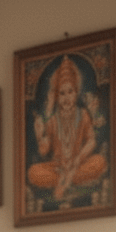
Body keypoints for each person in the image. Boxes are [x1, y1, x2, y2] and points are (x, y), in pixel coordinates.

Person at [28, 55, 106, 200]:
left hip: (78, 164)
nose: (66, 98)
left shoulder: (83, 115)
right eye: (62, 93)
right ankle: (68, 180)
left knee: (99, 162)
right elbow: (44, 151)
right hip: (57, 167)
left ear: (76, 93)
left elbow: (91, 141)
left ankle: (65, 182)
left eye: (70, 92)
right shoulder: (52, 120)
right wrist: (40, 136)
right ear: (56, 96)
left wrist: (78, 159)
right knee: (33, 172)